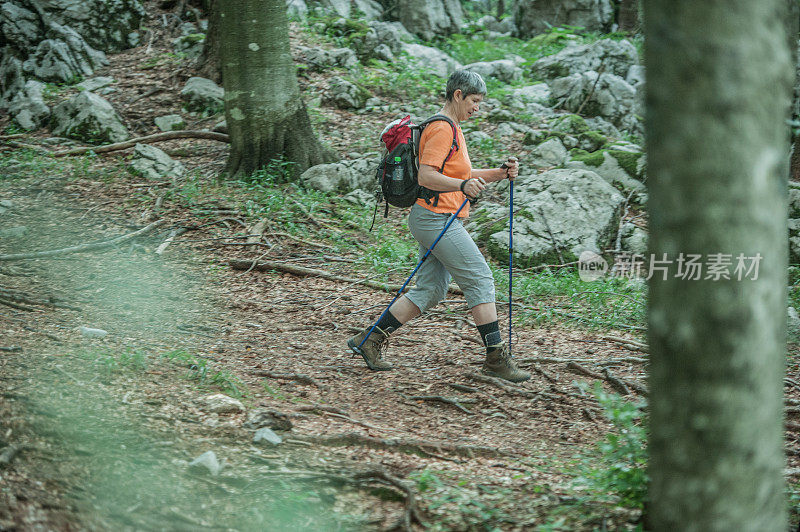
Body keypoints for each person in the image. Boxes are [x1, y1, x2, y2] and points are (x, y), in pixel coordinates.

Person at [348, 70, 530, 383]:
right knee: (480, 278)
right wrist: (463, 184)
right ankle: (495, 357)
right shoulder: (442, 127)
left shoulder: (452, 128)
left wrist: (499, 173)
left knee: (431, 290)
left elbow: (464, 171)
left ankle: (370, 341)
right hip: (435, 219)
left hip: (436, 219)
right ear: (457, 95)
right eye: (474, 101)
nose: (477, 108)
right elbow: (427, 177)